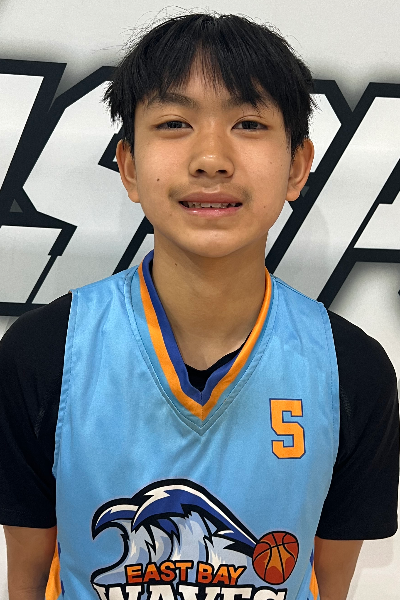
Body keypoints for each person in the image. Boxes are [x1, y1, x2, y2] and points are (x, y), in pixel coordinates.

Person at [0, 12, 398, 600]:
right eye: (174, 123)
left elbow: (329, 585)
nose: (211, 158)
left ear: (297, 167)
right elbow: (27, 580)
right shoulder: (42, 355)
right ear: (129, 167)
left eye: (248, 123)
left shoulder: (353, 371)